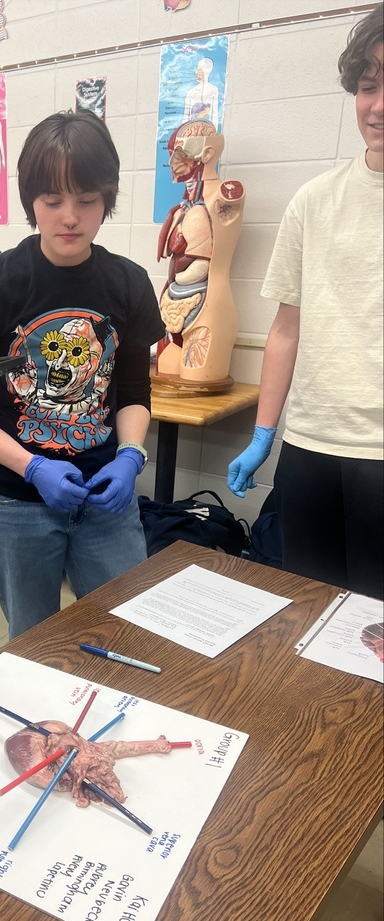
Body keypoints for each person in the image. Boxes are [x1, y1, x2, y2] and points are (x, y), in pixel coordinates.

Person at [0, 111, 164, 639]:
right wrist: (32, 467)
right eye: (52, 201)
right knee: (32, 642)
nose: (70, 217)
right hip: (19, 505)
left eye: (86, 201)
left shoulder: (128, 283)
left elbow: (133, 391)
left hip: (106, 501)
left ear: (106, 199)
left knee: (123, 632)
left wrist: (131, 456)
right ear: (30, 202)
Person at [228, 7, 383, 601]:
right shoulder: (315, 201)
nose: (378, 105)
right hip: (313, 446)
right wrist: (265, 432)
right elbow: (286, 329)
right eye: (368, 87)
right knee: (311, 613)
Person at [155, 118, 245, 389]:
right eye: (172, 154)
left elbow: (208, 259)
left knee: (196, 375)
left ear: (206, 153)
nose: (174, 162)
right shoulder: (184, 205)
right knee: (167, 372)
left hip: (207, 306)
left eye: (182, 153)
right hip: (174, 303)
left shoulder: (226, 195)